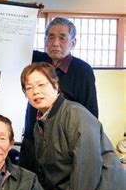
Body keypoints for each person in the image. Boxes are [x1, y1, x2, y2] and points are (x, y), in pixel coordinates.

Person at [20, 62, 125, 190]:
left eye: (41, 84)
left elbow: (87, 165)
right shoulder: (40, 125)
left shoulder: (76, 114)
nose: (35, 91)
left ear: (55, 85)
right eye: (29, 88)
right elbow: (45, 171)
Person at [19, 17, 98, 172]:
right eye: (51, 37)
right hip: (32, 142)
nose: (55, 43)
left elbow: (91, 116)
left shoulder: (82, 71)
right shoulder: (36, 61)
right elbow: (16, 42)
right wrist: (28, 15)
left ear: (73, 43)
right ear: (45, 40)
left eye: (62, 38)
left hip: (62, 148)